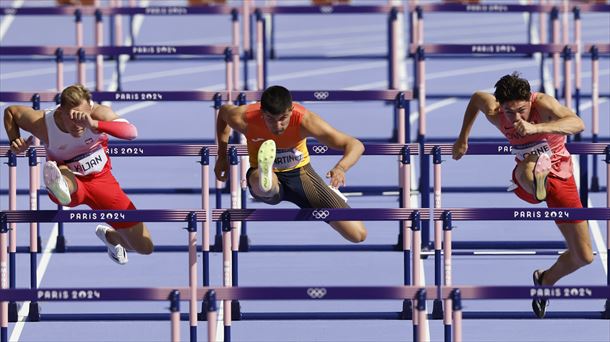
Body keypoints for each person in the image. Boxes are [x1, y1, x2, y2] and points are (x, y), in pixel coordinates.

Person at [452, 72, 593, 318]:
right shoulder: (495, 111)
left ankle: (545, 280)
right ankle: (538, 179)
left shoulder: (544, 104)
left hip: (562, 175)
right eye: (509, 112)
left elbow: (578, 124)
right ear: (500, 107)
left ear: (529, 101)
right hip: (526, 177)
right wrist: (462, 138)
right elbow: (476, 99)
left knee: (584, 256)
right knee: (530, 166)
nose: (516, 117)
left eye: (521, 110)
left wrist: (536, 127)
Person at [3, 84, 154, 265]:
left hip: (102, 181)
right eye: (72, 117)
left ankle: (112, 237)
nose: (78, 124)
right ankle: (57, 185)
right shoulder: (43, 123)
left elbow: (131, 132)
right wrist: (15, 140)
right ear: (60, 112)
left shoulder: (98, 114)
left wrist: (93, 124)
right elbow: (11, 112)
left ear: (90, 109)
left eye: (81, 116)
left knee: (145, 247)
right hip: (70, 178)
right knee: (65, 179)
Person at [215, 85, 367, 243]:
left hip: (301, 175)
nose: (277, 126)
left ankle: (271, 181)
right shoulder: (245, 117)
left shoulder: (305, 120)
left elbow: (355, 145)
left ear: (291, 110)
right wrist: (221, 156)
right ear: (262, 112)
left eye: (282, 119)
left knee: (357, 234)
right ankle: (265, 176)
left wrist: (341, 167)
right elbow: (223, 113)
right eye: (270, 119)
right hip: (262, 173)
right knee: (265, 185)